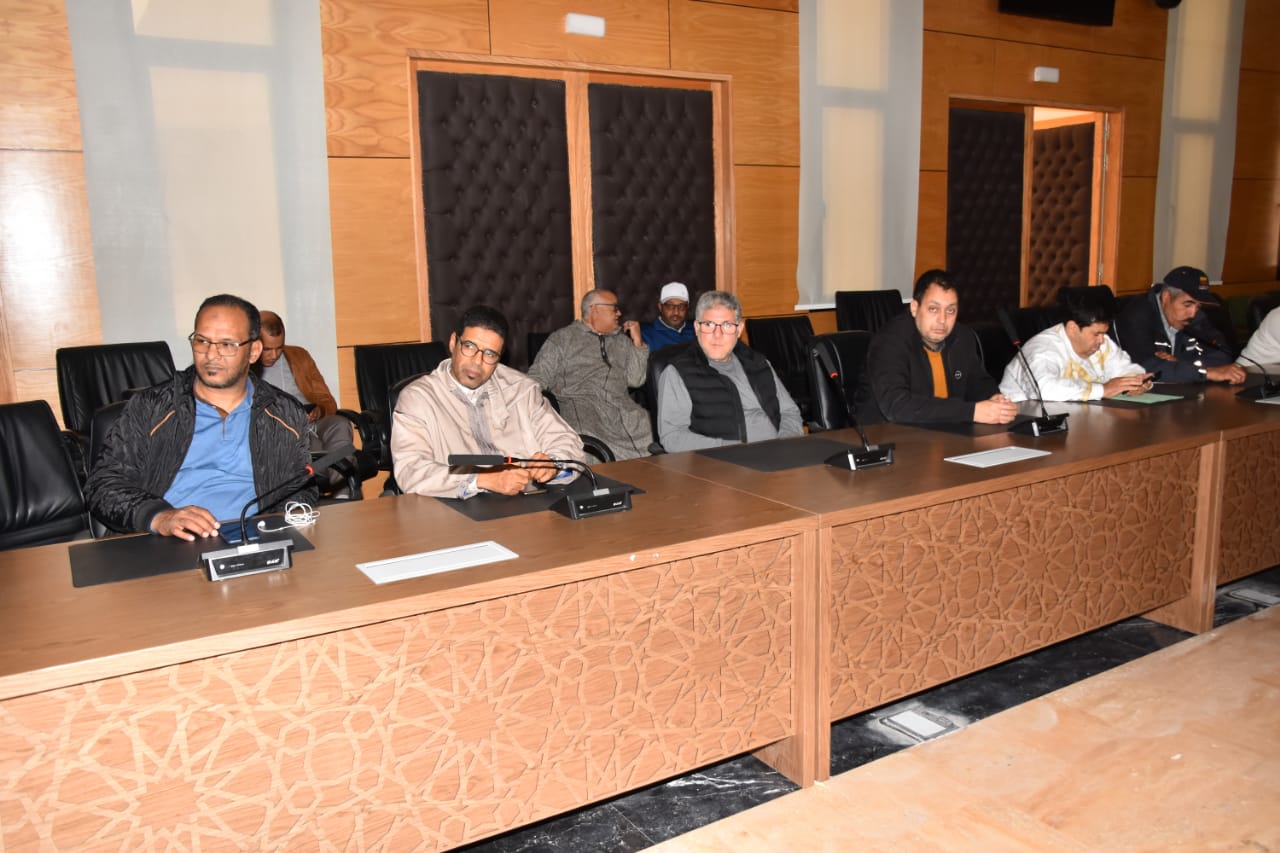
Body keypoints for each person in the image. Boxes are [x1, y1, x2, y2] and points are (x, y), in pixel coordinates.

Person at [85, 294, 315, 540]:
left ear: (254, 351)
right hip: (168, 542)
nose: (211, 355)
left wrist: (289, 520)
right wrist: (159, 517)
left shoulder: (284, 412)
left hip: (253, 538)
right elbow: (103, 486)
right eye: (202, 341)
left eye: (227, 344)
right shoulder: (152, 408)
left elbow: (300, 488)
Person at [392, 305, 585, 499]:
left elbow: (568, 443)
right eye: (469, 346)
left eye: (490, 354)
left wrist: (554, 464)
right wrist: (482, 479)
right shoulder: (418, 399)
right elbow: (411, 470)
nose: (477, 361)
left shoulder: (521, 390)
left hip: (526, 502)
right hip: (455, 505)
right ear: (453, 343)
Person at [854, 269, 1017, 425]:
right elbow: (897, 406)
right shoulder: (889, 341)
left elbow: (977, 382)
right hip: (884, 436)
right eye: (933, 309)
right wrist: (972, 412)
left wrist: (994, 398)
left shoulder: (962, 337)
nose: (942, 320)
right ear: (914, 308)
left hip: (943, 432)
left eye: (950, 311)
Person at [656, 290, 804, 451]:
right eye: (709, 324)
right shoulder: (678, 373)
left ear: (739, 329)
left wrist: (785, 445)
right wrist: (733, 450)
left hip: (779, 455)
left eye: (727, 325)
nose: (717, 334)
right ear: (697, 328)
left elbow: (789, 412)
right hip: (724, 460)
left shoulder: (758, 362)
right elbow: (673, 436)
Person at [528, 289, 653, 460]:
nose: (619, 313)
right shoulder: (562, 339)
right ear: (595, 310)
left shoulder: (622, 341)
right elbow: (537, 377)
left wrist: (638, 343)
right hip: (581, 406)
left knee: (652, 427)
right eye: (614, 308)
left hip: (621, 406)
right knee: (589, 439)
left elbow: (636, 380)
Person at [255, 310, 355, 494]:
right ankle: (320, 489)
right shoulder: (245, 367)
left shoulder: (299, 356)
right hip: (280, 431)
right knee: (312, 445)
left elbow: (327, 400)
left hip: (311, 422)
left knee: (340, 423)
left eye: (279, 347)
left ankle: (343, 495)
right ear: (254, 342)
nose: (274, 355)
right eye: (268, 349)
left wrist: (318, 411)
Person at [1000, 289, 1154, 401]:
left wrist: (1134, 383)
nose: (1102, 340)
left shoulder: (1101, 342)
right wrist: (1103, 390)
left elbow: (1126, 368)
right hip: (1023, 423)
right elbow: (1042, 388)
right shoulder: (1043, 349)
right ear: (1072, 328)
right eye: (1096, 334)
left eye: (1104, 333)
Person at [1113, 266, 1247, 384]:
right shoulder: (1135, 316)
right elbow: (1145, 369)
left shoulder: (1194, 316)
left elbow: (1222, 355)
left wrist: (1180, 363)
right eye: (1187, 304)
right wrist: (1204, 373)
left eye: (1198, 306)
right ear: (1166, 297)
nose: (1193, 313)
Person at [641, 281, 695, 351]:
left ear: (687, 307)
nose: (676, 312)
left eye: (681, 306)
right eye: (670, 306)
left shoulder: (698, 330)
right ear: (660, 307)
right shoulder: (644, 335)